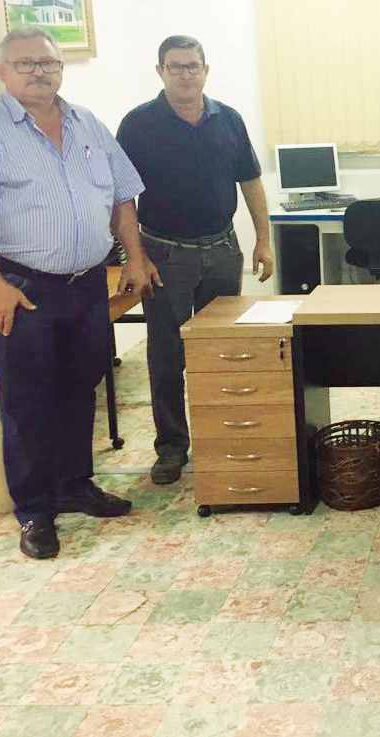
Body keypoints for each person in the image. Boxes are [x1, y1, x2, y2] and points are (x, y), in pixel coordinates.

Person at [0, 27, 161, 559]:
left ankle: (74, 485)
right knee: (27, 401)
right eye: (25, 63)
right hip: (22, 290)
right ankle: (35, 510)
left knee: (81, 388)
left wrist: (135, 257)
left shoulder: (87, 123)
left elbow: (122, 196)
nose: (39, 71)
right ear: (2, 72)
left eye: (48, 62)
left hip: (87, 284)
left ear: (61, 68)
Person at [116, 35, 273, 485]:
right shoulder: (138, 125)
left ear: (206, 69)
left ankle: (222, 435)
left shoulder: (229, 119)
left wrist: (263, 241)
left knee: (221, 351)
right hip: (165, 255)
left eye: (192, 66)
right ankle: (171, 448)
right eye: (176, 66)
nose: (185, 74)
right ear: (160, 71)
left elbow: (251, 182)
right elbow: (122, 197)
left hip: (222, 251)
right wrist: (135, 257)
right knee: (167, 356)